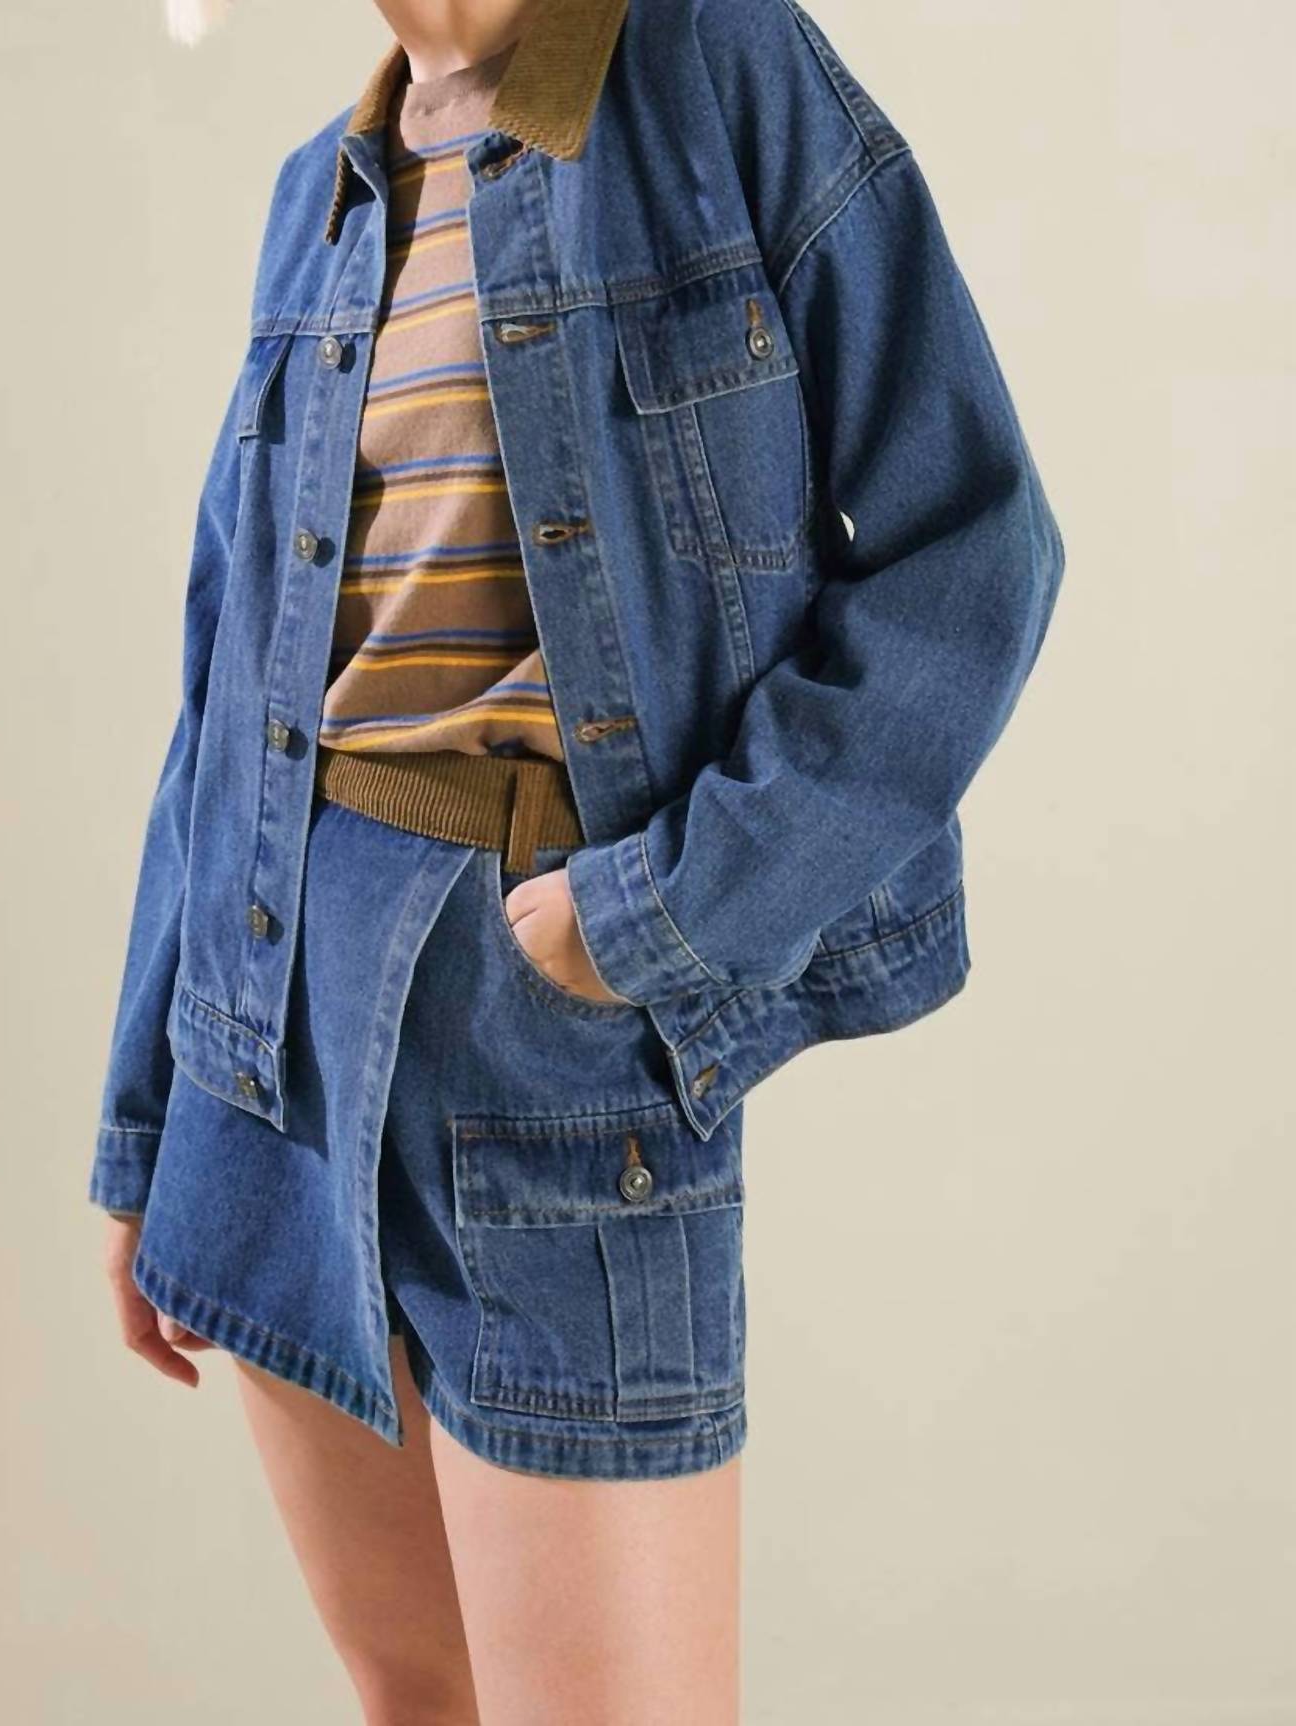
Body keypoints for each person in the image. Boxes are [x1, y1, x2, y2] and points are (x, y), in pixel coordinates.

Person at [93, 0, 1066, 1718]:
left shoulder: (708, 65)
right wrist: (146, 1124)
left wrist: (665, 914)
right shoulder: (324, 190)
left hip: (550, 1037)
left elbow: (973, 549)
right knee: (413, 1690)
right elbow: (224, 681)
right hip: (271, 1044)